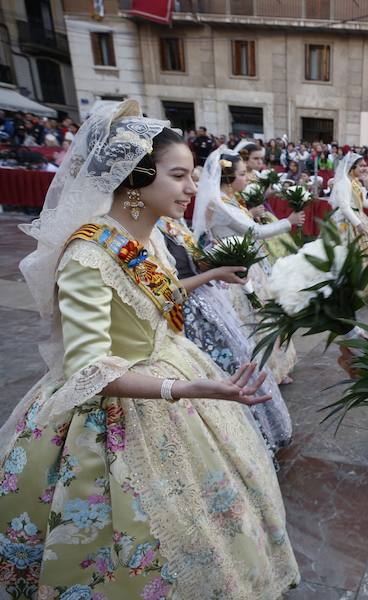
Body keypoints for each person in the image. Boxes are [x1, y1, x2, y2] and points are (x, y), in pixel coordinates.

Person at [0, 100, 299, 597]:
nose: (189, 188)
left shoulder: (146, 237)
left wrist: (209, 275)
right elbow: (89, 370)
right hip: (120, 406)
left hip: (173, 370)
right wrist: (182, 388)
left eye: (192, 175)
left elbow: (152, 297)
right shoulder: (88, 257)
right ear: (136, 179)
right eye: (178, 176)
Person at [157, 216, 293, 456]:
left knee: (240, 364)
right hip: (189, 317)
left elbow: (192, 264)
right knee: (221, 372)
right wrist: (213, 272)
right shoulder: (152, 231)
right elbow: (165, 291)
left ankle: (264, 434)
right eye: (179, 176)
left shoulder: (169, 221)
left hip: (208, 305)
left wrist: (218, 265)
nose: (190, 189)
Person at [193, 148, 303, 385]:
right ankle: (266, 372)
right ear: (228, 179)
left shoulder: (228, 200)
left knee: (263, 317)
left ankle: (274, 369)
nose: (247, 178)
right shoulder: (222, 204)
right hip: (238, 271)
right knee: (257, 319)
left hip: (244, 263)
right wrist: (289, 221)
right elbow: (255, 231)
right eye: (242, 174)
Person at [329, 153, 368, 298]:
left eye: (364, 165)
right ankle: (346, 284)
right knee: (347, 251)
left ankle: (362, 282)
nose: (364, 168)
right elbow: (345, 207)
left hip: (359, 216)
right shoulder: (344, 182)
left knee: (366, 252)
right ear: (351, 167)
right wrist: (358, 223)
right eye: (361, 166)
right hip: (347, 222)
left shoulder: (356, 182)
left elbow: (364, 203)